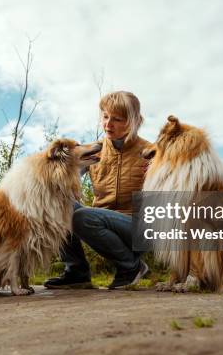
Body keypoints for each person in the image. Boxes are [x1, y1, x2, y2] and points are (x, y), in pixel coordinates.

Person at [44, 91, 151, 290]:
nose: (108, 124)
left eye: (117, 119)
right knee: (60, 203)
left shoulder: (151, 152)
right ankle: (77, 272)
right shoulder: (95, 150)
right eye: (105, 116)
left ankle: (131, 267)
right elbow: (57, 179)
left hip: (139, 228)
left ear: (134, 121)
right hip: (102, 222)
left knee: (83, 217)